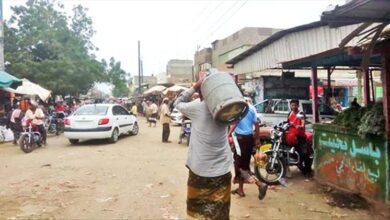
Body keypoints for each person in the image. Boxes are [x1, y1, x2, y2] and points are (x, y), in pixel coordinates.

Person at [174, 73, 232, 220]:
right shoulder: (228, 109)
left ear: (202, 92)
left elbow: (177, 102)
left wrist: (194, 87)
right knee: (220, 210)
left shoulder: (198, 107)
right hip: (222, 170)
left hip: (200, 170)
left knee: (199, 211)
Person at [228, 97, 268, 199]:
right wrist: (257, 139)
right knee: (244, 165)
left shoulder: (239, 109)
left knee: (239, 166)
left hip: (240, 140)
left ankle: (259, 184)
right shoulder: (251, 108)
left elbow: (235, 123)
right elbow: (256, 124)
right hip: (249, 139)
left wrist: (228, 134)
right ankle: (240, 190)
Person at [286, 99, 313, 177]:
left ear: (298, 105)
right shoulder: (290, 113)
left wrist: (300, 126)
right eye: (292, 105)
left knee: (304, 153)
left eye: (295, 105)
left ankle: (307, 171)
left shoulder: (301, 114)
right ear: (290, 106)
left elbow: (303, 123)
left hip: (300, 136)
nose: (293, 107)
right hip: (291, 136)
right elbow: (287, 123)